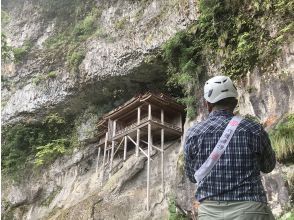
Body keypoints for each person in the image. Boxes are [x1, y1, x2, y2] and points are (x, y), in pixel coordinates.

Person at [184, 75, 276, 220]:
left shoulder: (193, 134)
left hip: (210, 214)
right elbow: (268, 166)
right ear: (235, 101)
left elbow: (192, 176)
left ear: (208, 104)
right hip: (251, 211)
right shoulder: (253, 128)